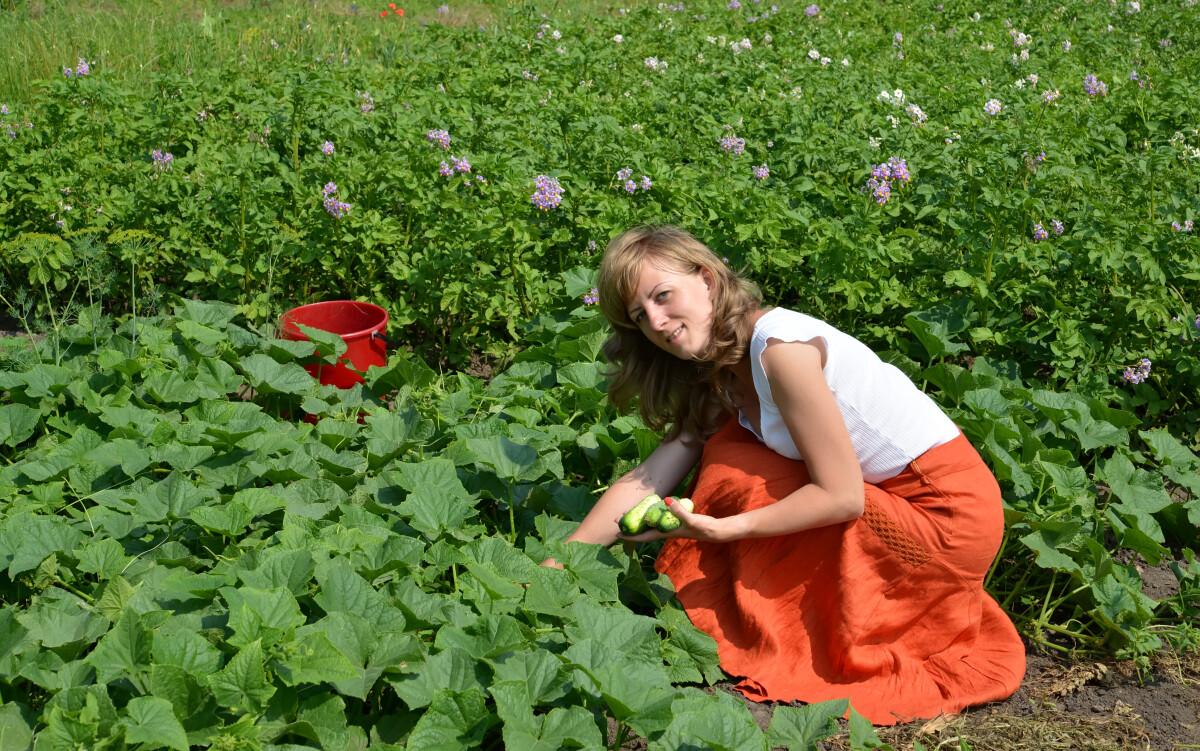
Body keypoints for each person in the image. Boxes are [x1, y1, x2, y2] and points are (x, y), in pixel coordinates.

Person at [543, 224, 1025, 725]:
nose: (659, 323)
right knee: (730, 446)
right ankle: (769, 613)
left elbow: (841, 498)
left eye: (663, 297)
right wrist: (569, 558)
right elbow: (653, 473)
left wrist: (723, 529)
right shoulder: (719, 364)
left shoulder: (780, 351)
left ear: (706, 279)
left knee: (742, 471)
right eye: (641, 317)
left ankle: (794, 629)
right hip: (886, 493)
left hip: (945, 515)